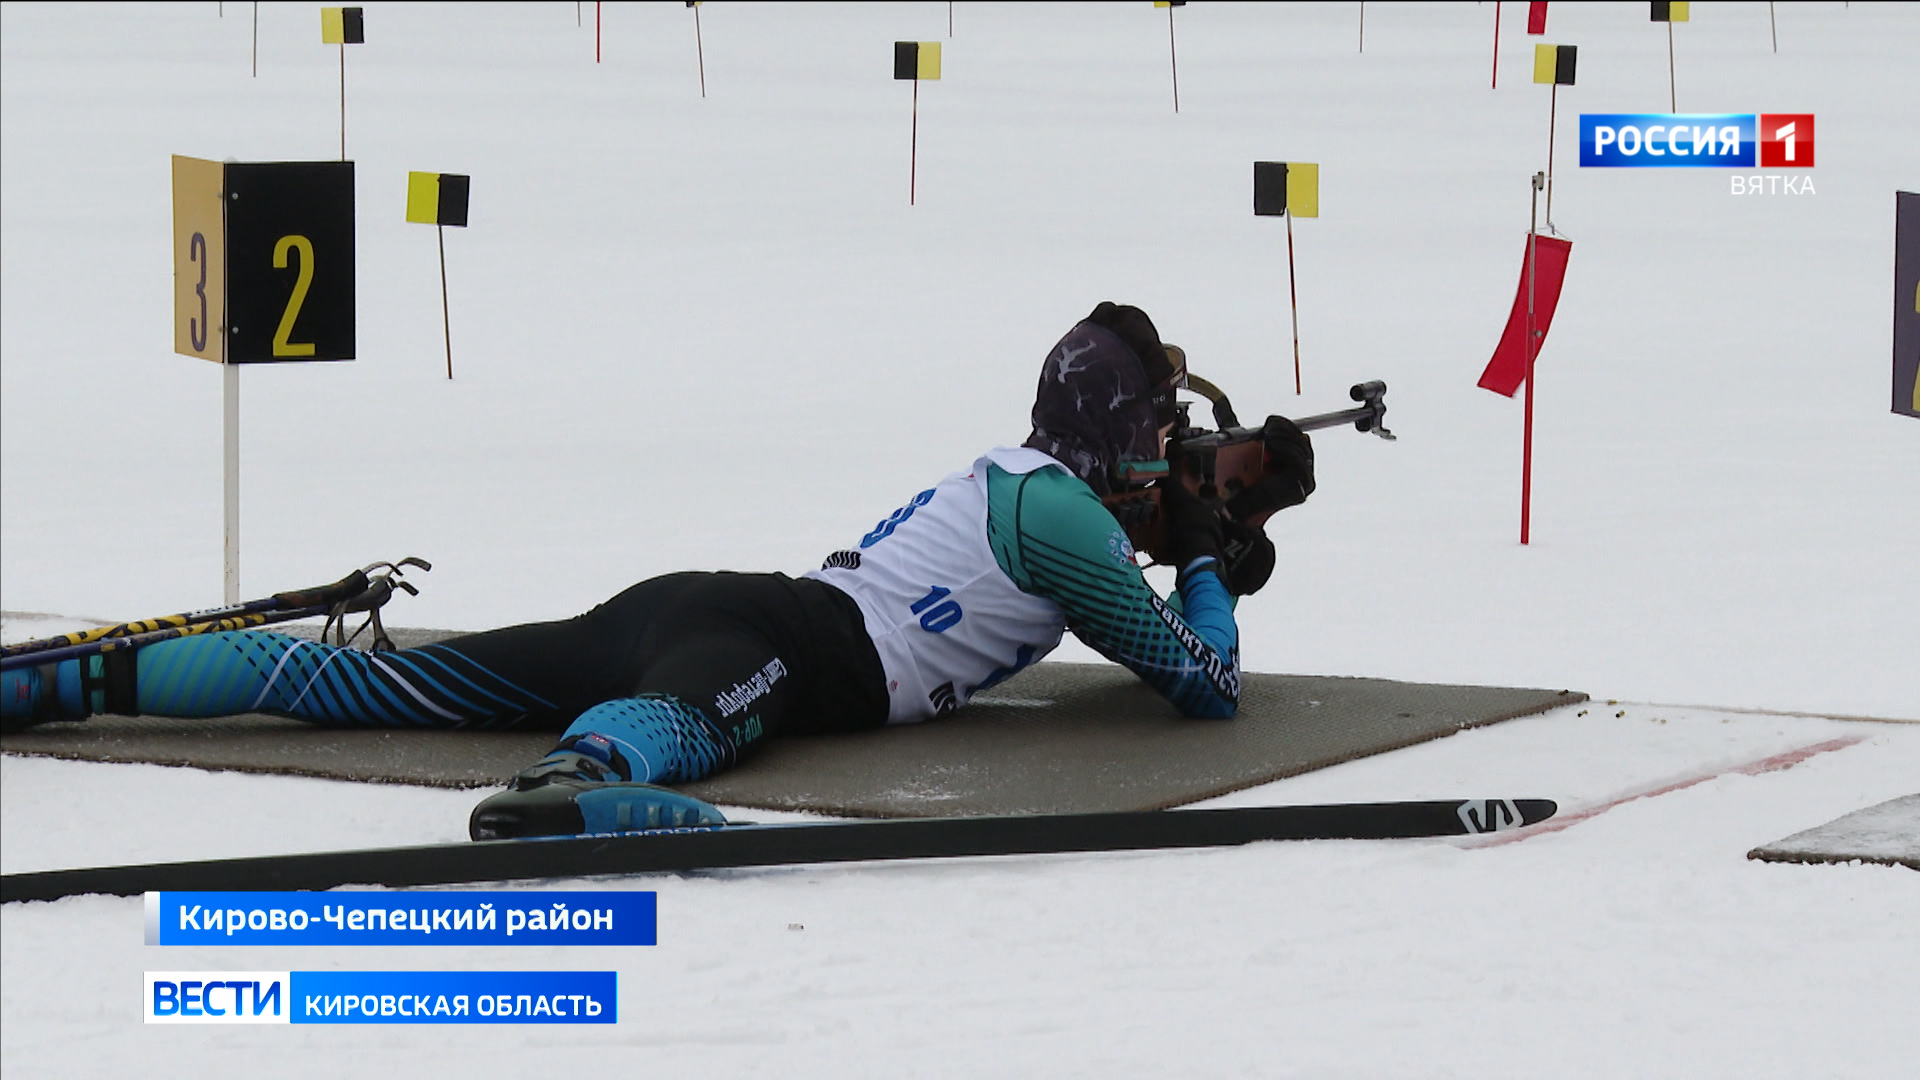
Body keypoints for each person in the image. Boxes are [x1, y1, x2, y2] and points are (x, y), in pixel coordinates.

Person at [1, 303, 1314, 840]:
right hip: (790, 650)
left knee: (379, 687)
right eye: (1157, 431)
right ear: (1114, 434)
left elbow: (1094, 546)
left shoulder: (1025, 484)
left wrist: (1205, 526)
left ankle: (69, 681)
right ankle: (578, 785)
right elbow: (1200, 682)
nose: (1169, 452)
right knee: (682, 727)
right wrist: (1205, 559)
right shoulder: (1076, 528)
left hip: (701, 603)